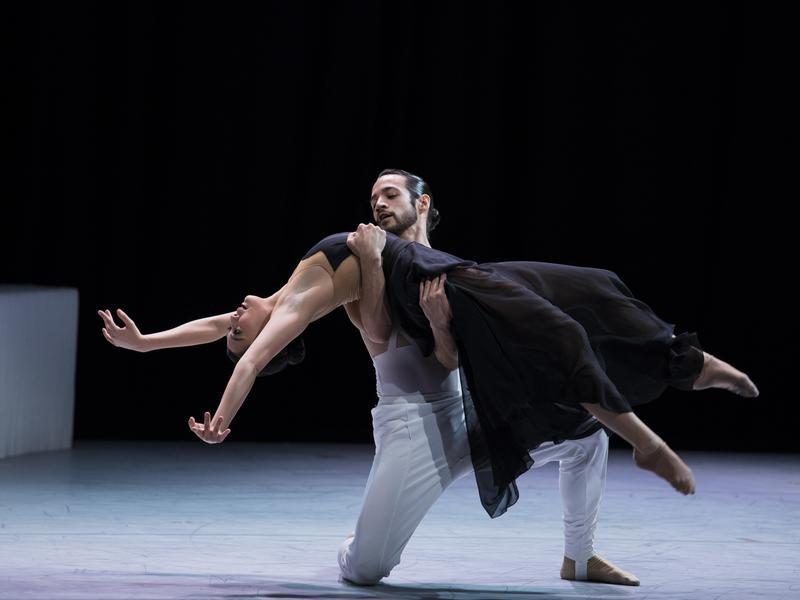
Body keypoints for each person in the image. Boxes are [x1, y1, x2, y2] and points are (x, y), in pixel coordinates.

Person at [98, 170, 758, 584]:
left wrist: (146, 344)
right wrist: (222, 417)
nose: (234, 313)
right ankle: (356, 545)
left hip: (463, 408)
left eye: (389, 194)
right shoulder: (328, 288)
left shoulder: (394, 262)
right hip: (414, 432)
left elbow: (221, 327)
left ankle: (581, 555)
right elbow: (250, 351)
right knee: (367, 571)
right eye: (374, 195)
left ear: (420, 203)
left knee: (584, 420)